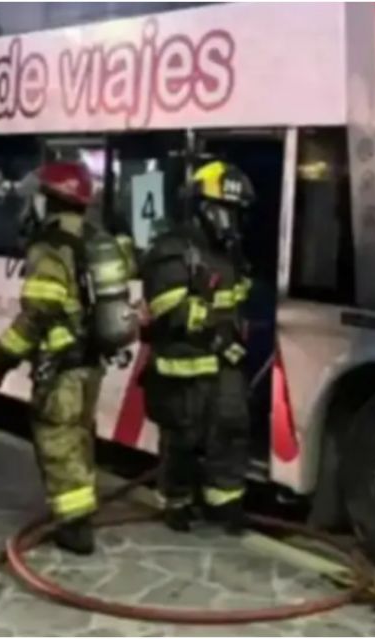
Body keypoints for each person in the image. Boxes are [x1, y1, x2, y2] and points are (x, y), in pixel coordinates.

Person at [0, 161, 109, 555]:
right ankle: (82, 507)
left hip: (63, 362)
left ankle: (74, 525)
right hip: (89, 362)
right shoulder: (93, 239)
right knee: (80, 435)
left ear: (49, 200)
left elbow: (38, 312)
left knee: (57, 437)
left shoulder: (50, 248)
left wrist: (3, 354)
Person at [140, 160, 254, 535]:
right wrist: (216, 329)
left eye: (236, 214)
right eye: (226, 211)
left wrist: (234, 329)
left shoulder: (229, 254)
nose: (231, 221)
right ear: (203, 208)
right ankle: (178, 502)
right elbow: (167, 307)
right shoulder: (172, 249)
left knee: (230, 430)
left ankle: (226, 503)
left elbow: (236, 300)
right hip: (183, 364)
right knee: (183, 439)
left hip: (223, 364)